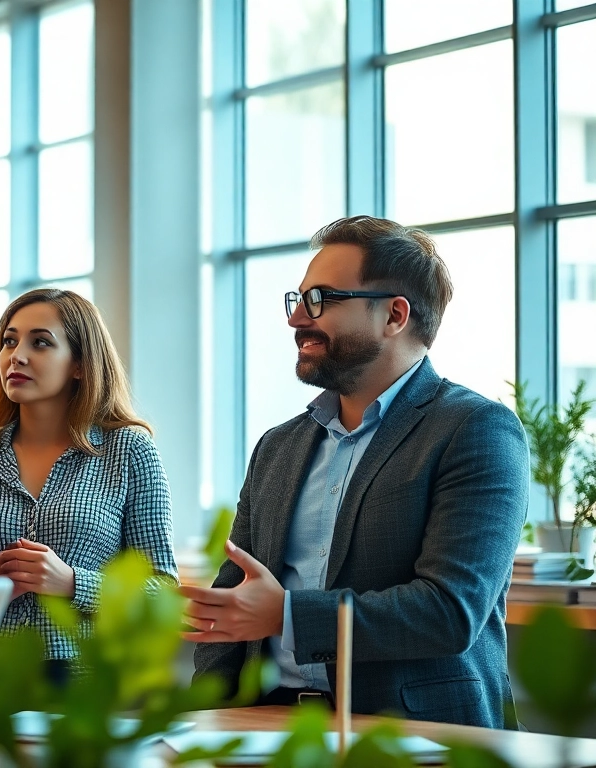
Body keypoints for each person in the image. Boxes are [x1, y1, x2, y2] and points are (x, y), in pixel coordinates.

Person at [187, 216, 529, 728]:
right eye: (297, 299)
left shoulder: (476, 429)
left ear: (394, 315)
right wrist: (205, 720)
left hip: (415, 734)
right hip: (266, 727)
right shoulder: (278, 446)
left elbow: (449, 610)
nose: (297, 318)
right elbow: (233, 600)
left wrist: (287, 615)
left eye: (320, 299)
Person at [0, 288, 177, 682]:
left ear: (80, 365)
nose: (16, 355)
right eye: (9, 341)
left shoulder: (129, 451)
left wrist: (73, 583)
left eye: (41, 343)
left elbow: (165, 595)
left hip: (90, 686)